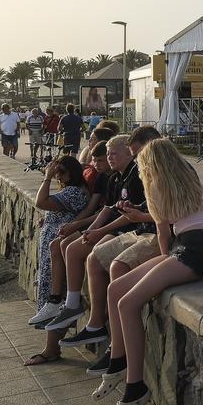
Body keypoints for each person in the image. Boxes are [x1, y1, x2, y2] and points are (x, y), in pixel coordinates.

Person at [91, 139, 203, 405]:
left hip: (188, 253)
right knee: (115, 288)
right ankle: (118, 361)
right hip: (197, 246)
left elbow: (162, 236)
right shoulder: (185, 178)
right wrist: (164, 262)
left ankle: (135, 387)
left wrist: (162, 265)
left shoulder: (155, 184)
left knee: (127, 302)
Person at [47, 126, 164, 356]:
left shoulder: (145, 175)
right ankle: (86, 317)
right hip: (138, 229)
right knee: (73, 250)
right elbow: (114, 209)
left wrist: (99, 231)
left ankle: (115, 348)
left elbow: (159, 216)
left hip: (142, 232)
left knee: (109, 265)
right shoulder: (118, 177)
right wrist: (90, 229)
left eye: (112, 154)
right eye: (105, 155)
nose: (108, 160)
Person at [24, 156, 92, 365]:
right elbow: (57, 209)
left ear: (73, 172)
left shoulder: (74, 192)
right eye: (56, 172)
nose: (58, 176)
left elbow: (40, 201)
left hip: (57, 253)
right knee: (52, 300)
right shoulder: (74, 191)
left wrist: (46, 178)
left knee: (54, 300)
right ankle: (50, 348)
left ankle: (51, 350)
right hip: (54, 253)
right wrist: (49, 217)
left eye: (61, 172)